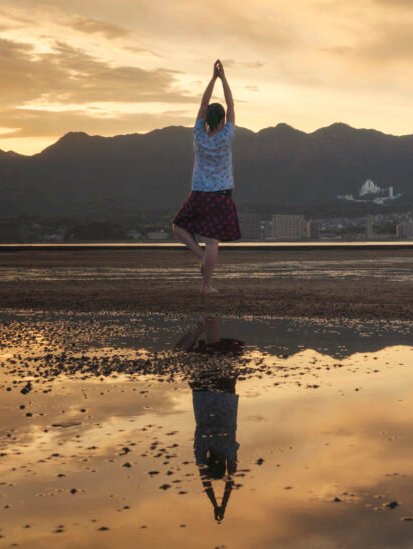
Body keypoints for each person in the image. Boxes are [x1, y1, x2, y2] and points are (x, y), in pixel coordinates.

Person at [172, 60, 240, 295]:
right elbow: (231, 104)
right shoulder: (227, 136)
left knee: (178, 226)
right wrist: (223, 78)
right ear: (222, 121)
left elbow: (203, 104)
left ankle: (201, 258)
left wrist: (212, 78)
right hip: (220, 195)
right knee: (212, 242)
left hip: (199, 193)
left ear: (206, 120)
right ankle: (206, 284)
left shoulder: (199, 135)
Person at [175, 316, 244, 523]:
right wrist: (215, 503)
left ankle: (209, 322)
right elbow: (204, 479)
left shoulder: (228, 448)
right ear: (207, 460)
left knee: (217, 352)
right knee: (181, 353)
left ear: (222, 461)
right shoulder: (200, 446)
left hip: (224, 394)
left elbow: (230, 480)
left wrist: (222, 503)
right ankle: (202, 326)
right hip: (202, 393)